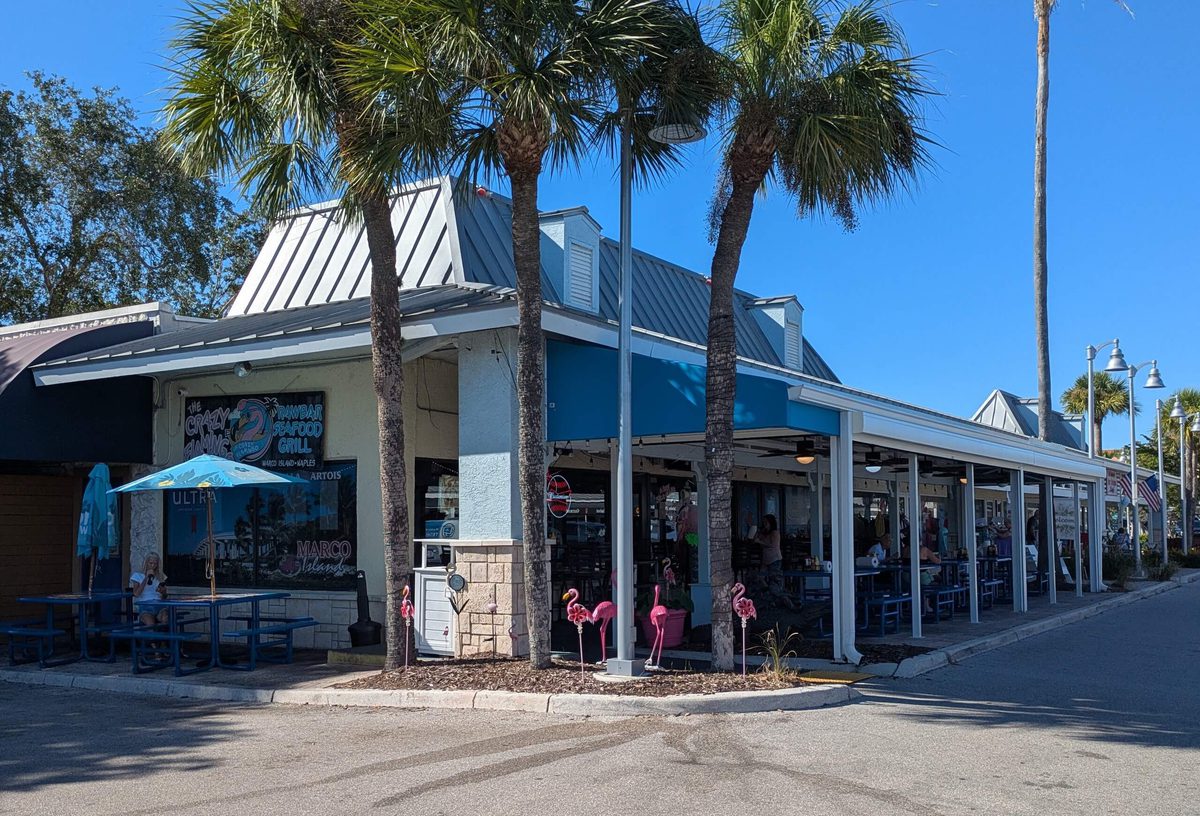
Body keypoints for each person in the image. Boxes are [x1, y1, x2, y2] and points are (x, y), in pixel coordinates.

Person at [130, 553, 169, 627]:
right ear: (146, 563)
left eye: (155, 563)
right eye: (150, 563)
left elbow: (165, 596)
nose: (152, 566)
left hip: (159, 604)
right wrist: (146, 578)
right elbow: (136, 594)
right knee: (150, 624)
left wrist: (163, 591)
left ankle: (163, 637)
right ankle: (149, 637)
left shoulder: (160, 576)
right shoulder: (137, 575)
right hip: (145, 605)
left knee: (165, 619)